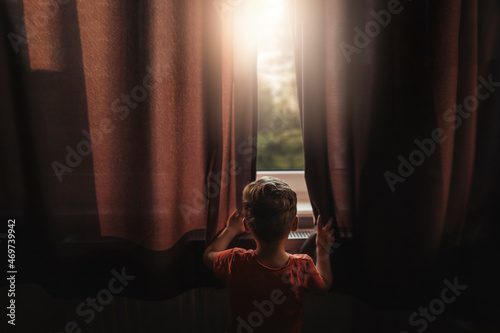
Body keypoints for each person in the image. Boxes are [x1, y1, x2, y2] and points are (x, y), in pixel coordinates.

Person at [203, 176, 335, 333]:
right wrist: (322, 249)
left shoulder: (234, 260)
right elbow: (324, 285)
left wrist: (230, 230)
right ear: (295, 224)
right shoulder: (301, 267)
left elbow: (208, 256)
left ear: (246, 225)